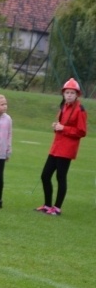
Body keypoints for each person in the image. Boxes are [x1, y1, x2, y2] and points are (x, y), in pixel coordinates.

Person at [36, 78, 88, 216]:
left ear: (77, 94)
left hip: (67, 149)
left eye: (72, 93)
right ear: (63, 94)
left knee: (61, 177)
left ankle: (57, 208)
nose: (69, 95)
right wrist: (57, 127)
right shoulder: (63, 106)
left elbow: (82, 131)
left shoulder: (80, 110)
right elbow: (61, 125)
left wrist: (63, 128)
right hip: (56, 147)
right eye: (67, 92)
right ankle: (47, 205)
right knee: (45, 175)